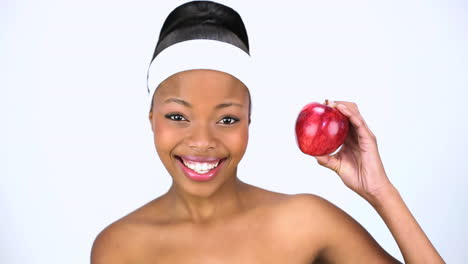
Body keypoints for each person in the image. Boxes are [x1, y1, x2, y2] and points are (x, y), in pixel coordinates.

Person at [90, 1, 445, 263]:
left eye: (227, 119)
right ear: (151, 118)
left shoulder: (305, 222)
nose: (201, 140)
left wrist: (380, 192)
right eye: (177, 116)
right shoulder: (119, 246)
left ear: (249, 121)